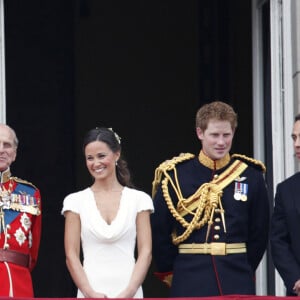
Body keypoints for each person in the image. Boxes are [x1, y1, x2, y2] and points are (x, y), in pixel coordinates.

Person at [151, 101, 270, 297]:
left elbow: (259, 232)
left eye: (227, 135)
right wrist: (174, 271)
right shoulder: (176, 175)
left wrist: (244, 268)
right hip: (189, 278)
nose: (221, 142)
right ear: (200, 133)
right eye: (214, 135)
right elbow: (159, 231)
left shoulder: (251, 176)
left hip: (236, 278)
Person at [62, 127, 153, 298]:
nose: (96, 163)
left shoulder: (139, 200)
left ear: (116, 154)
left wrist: (129, 292)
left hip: (129, 292)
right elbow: (71, 255)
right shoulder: (75, 201)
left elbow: (146, 252)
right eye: (90, 158)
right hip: (90, 293)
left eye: (101, 156)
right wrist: (89, 293)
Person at [0, 124, 42, 297]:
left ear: (15, 154)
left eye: (7, 145)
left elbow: (33, 253)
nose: (1, 150)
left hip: (17, 283)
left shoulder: (30, 193)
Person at [270, 114, 300, 296]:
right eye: (294, 137)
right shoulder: (286, 189)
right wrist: (295, 278)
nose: (297, 144)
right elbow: (278, 241)